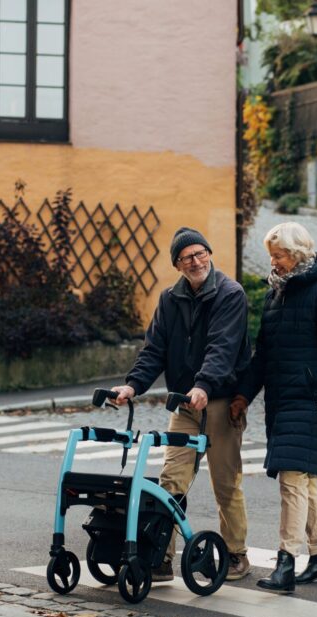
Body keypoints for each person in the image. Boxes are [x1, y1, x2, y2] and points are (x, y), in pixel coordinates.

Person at [110, 226, 253, 582]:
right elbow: (154, 350)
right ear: (177, 264)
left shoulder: (230, 294)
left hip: (219, 402)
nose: (195, 261)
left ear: (209, 253)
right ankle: (161, 557)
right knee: (170, 481)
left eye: (200, 253)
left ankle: (236, 554)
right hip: (185, 406)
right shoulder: (169, 299)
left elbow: (223, 347)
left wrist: (204, 384)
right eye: (186, 257)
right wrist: (132, 386)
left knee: (225, 482)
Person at [231, 221, 317, 593]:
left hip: (314, 402)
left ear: (299, 254)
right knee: (305, 481)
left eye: (280, 256)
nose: (274, 263)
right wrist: (243, 394)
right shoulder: (276, 296)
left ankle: (286, 563)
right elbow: (263, 356)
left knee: (291, 479)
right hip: (282, 402)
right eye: (272, 256)